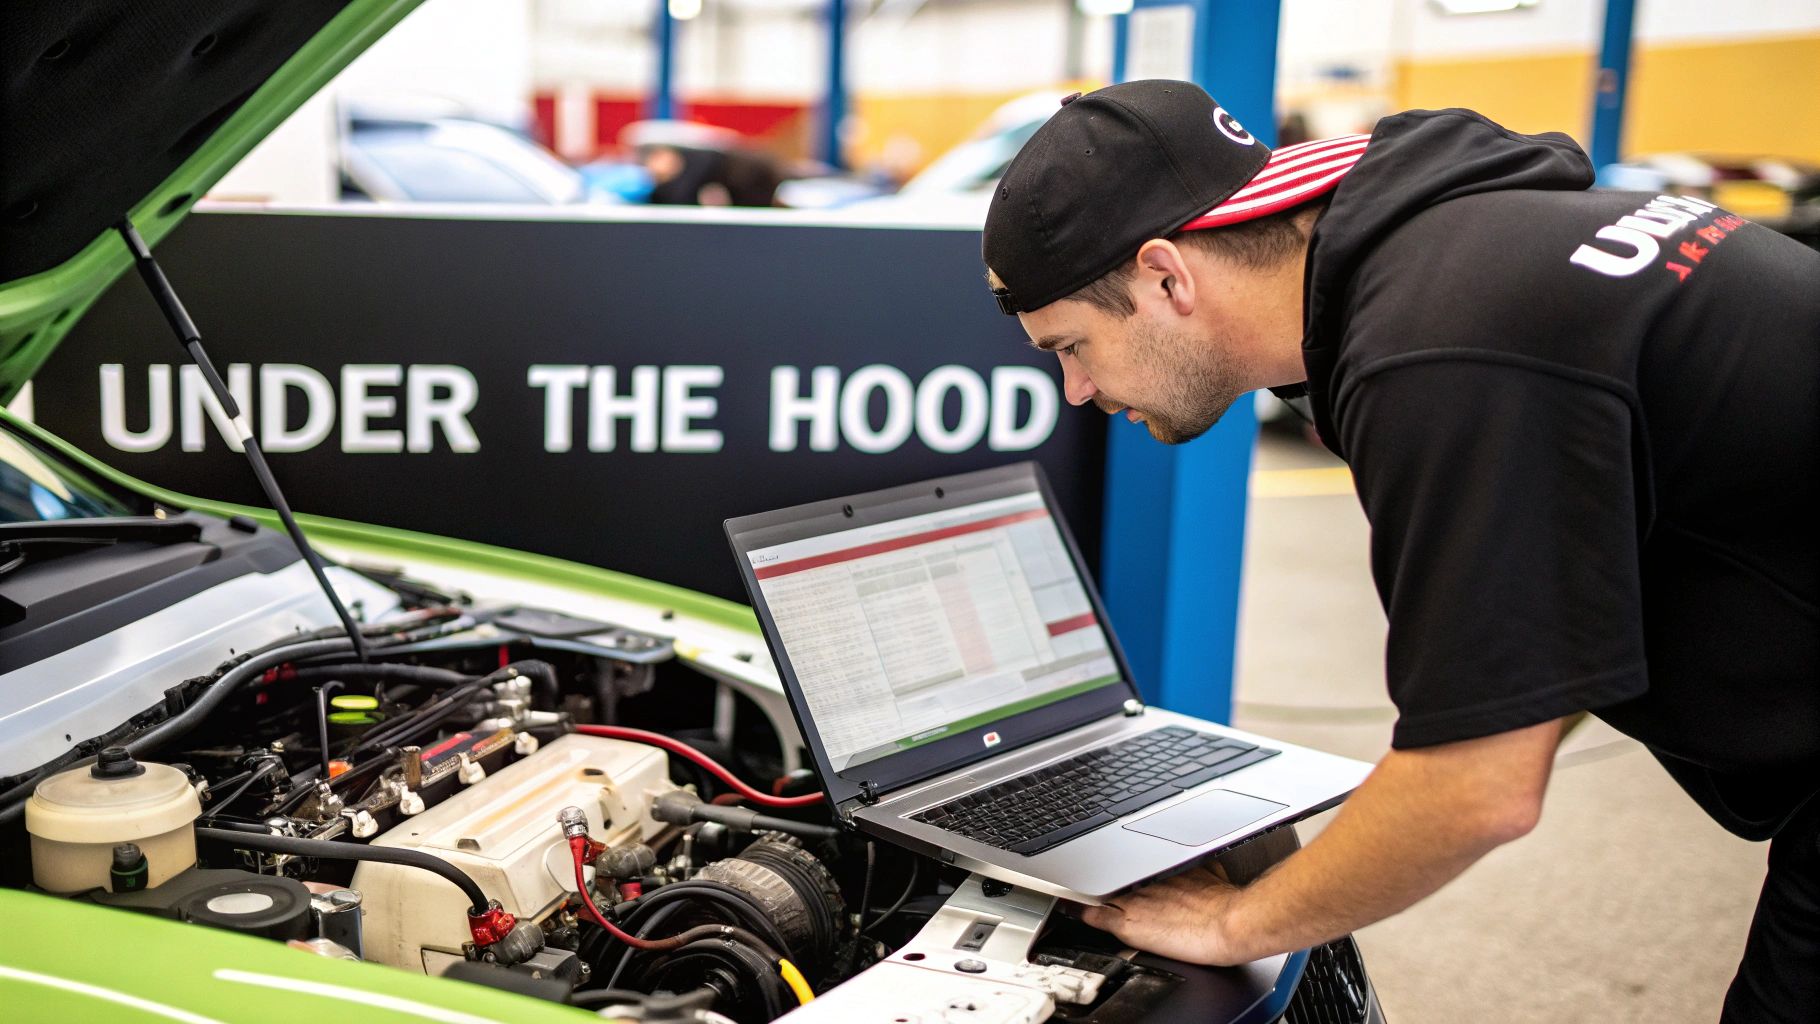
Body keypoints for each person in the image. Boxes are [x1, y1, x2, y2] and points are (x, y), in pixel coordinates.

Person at [980, 80, 1819, 1021]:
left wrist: (1235, 925)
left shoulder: (1435, 351)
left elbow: (1476, 790)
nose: (1077, 391)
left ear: (1168, 276)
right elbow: (1549, 631)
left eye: (1072, 345)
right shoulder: (1465, 238)